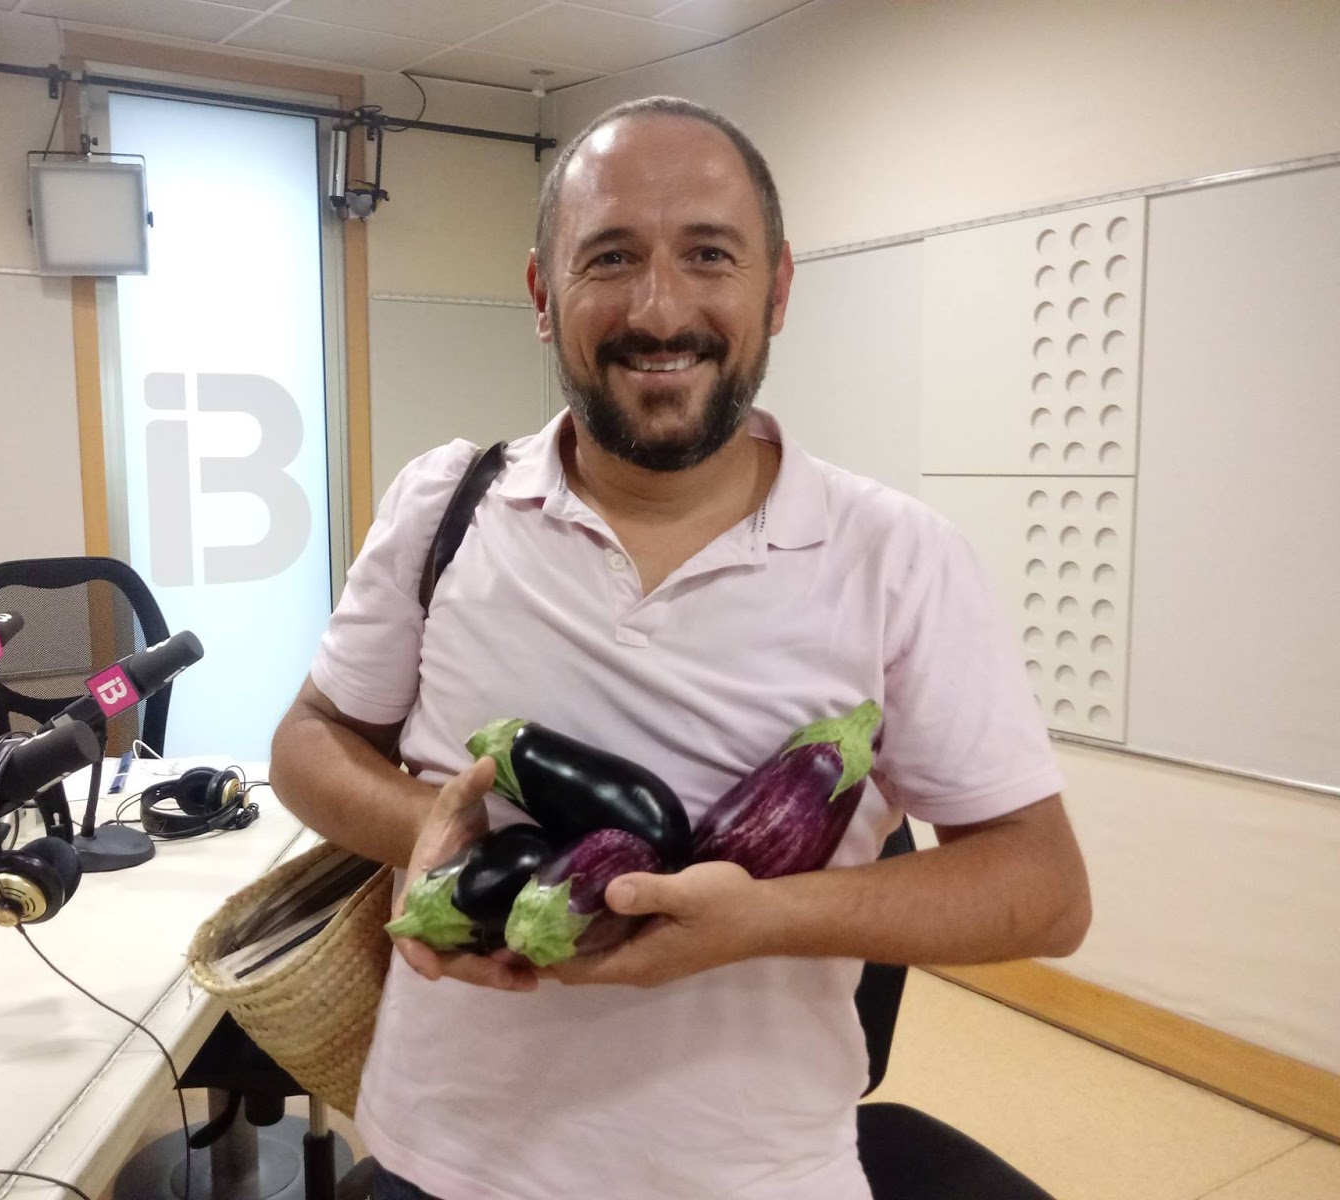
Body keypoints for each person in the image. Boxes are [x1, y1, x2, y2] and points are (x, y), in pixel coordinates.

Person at [269, 95, 1091, 1200]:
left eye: (709, 254)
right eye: (610, 256)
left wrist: (763, 921)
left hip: (757, 1177)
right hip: (440, 1163)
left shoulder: (898, 556)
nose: (659, 309)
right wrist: (432, 829)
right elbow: (310, 741)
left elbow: (1044, 889)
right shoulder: (444, 506)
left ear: (777, 289)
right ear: (542, 297)